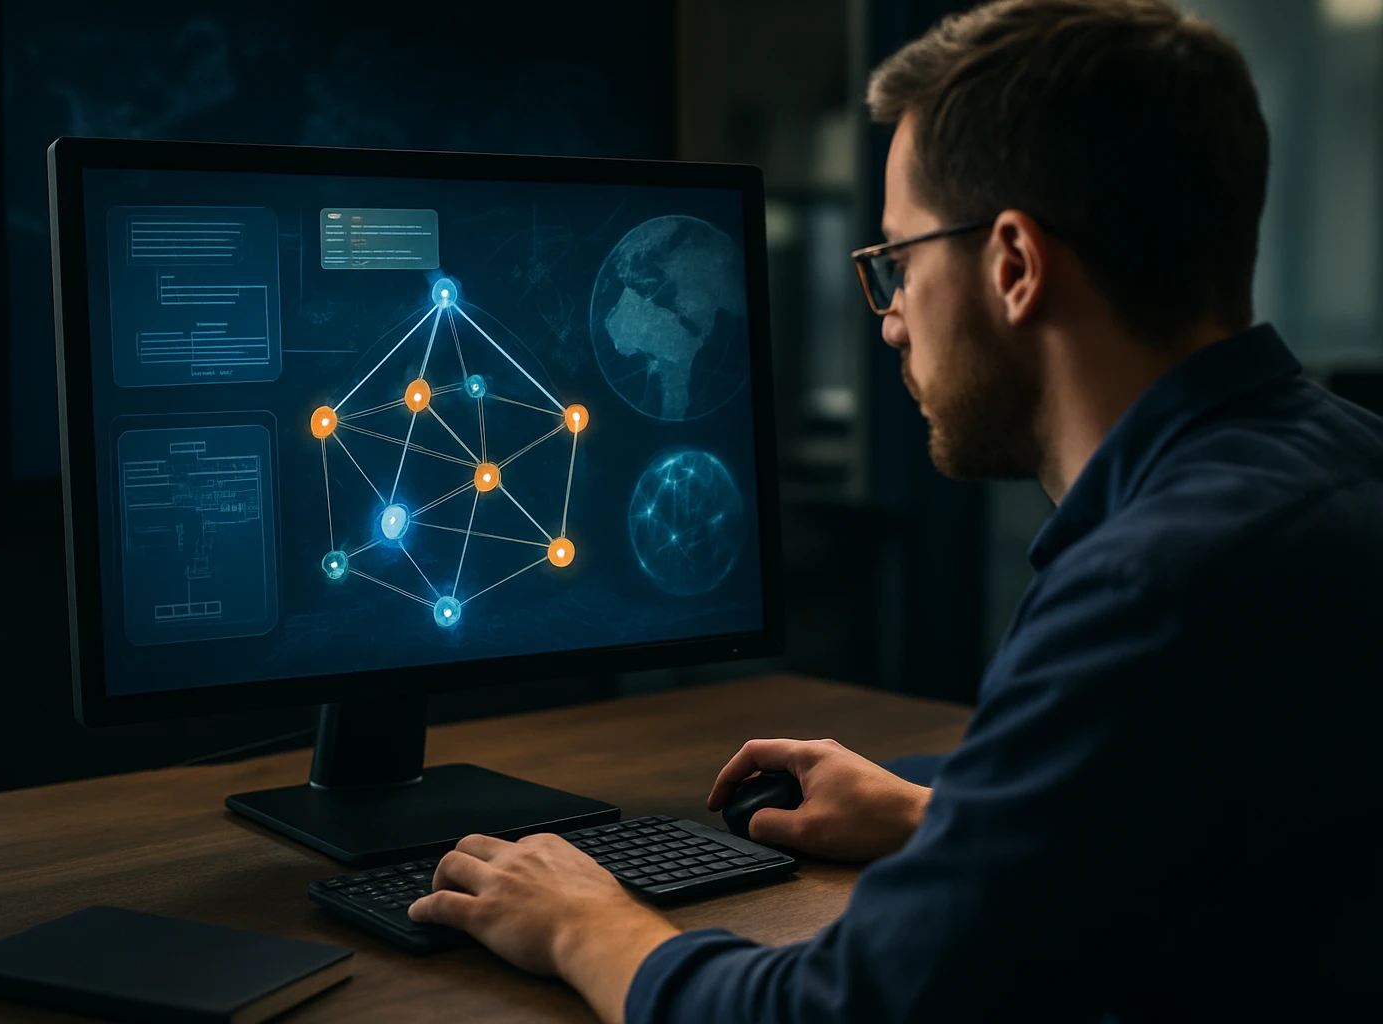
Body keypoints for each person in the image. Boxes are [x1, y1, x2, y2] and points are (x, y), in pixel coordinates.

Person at [409, 0, 1383, 1019]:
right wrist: (946, 819)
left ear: (1013, 265)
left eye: (899, 265)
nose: (888, 322)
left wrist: (583, 921)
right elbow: (1233, 832)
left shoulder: (1149, 584)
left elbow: (838, 1011)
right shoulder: (1344, 470)